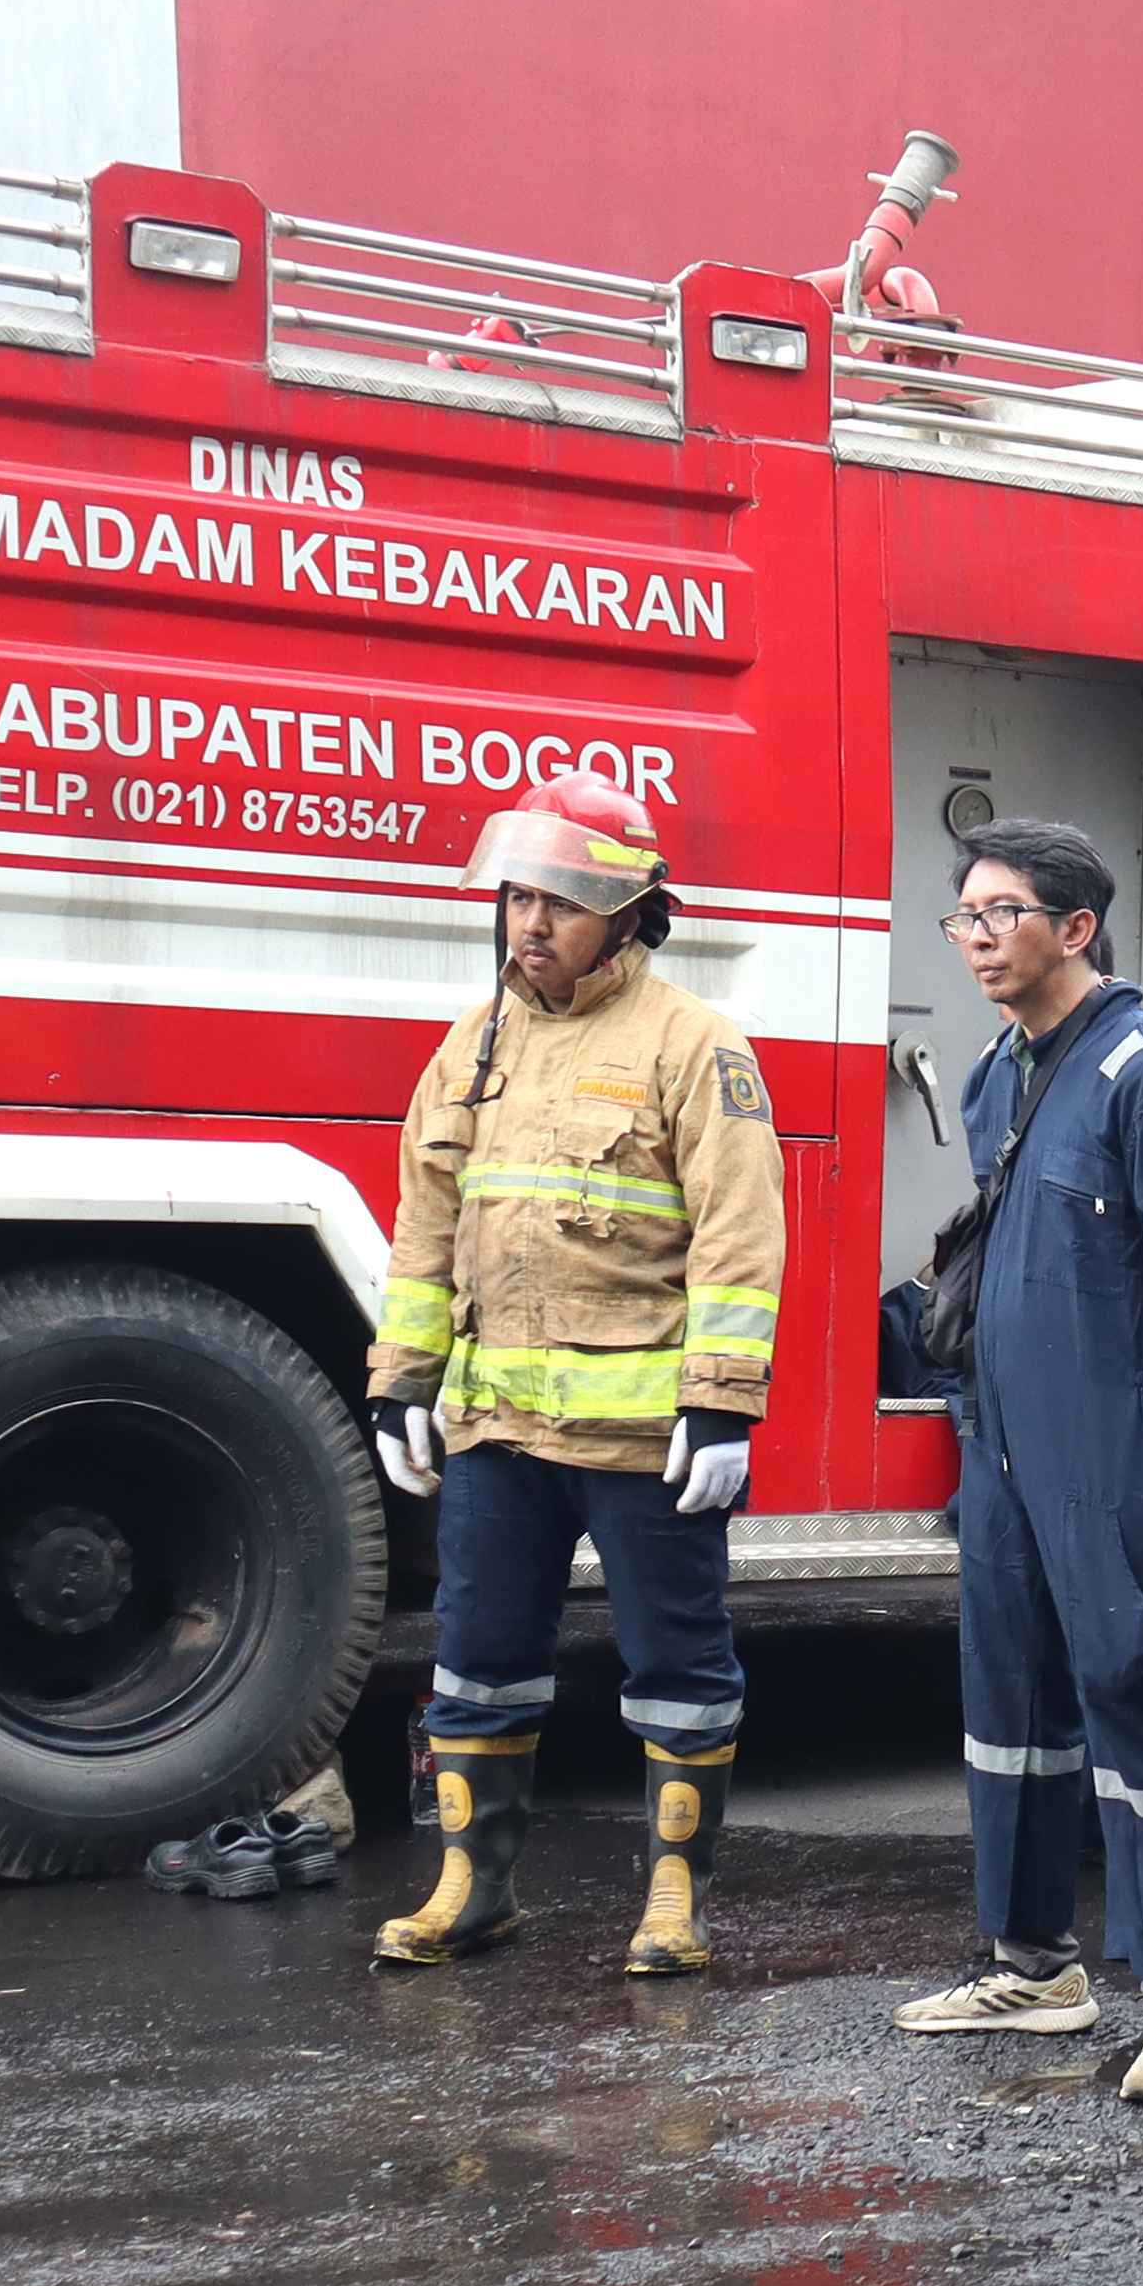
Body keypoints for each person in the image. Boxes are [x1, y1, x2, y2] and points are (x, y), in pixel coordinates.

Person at [365, 779, 787, 1978]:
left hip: (646, 1440)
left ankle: (671, 1900)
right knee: (476, 1659)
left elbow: (739, 1235)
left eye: (561, 900)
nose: (530, 922)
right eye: (517, 896)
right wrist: (402, 1379)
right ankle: (472, 1886)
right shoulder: (471, 1045)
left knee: (680, 1673)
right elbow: (423, 1229)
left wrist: (720, 1400)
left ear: (630, 912)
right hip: (498, 1430)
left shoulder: (692, 1044)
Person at [895, 819, 1143, 2098]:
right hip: (998, 1440)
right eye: (965, 918)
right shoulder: (1001, 1070)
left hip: (1112, 1447)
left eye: (1002, 915)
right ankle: (1033, 1962)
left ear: (1076, 928)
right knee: (1010, 1703)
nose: (978, 939)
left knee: (1135, 1694)